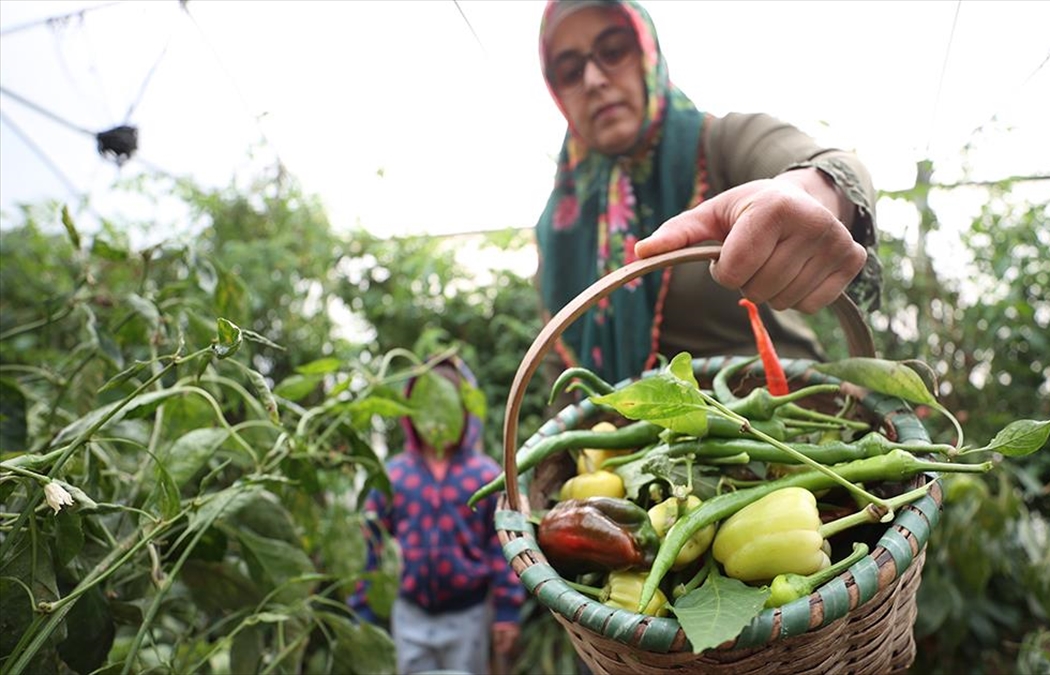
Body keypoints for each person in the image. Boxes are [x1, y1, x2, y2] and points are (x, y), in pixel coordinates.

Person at [535, 0, 882, 386]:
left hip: (782, 417)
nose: (594, 79)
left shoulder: (719, 145)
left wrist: (801, 195)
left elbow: (835, 168)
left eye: (614, 51)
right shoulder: (560, 230)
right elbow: (562, 374)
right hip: (631, 440)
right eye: (569, 71)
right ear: (557, 93)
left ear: (647, 52)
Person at [347, 355, 525, 674]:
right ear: (411, 412)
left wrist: (507, 613)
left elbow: (502, 548)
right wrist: (362, 611)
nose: (438, 418)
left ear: (465, 413)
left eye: (448, 406)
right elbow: (372, 544)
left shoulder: (484, 476)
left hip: (468, 615)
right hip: (409, 613)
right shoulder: (393, 476)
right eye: (428, 406)